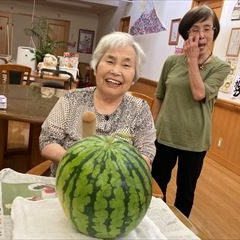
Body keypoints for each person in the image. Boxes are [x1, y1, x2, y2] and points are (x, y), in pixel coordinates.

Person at [39, 31, 156, 176]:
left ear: (134, 77)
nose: (115, 71)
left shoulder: (140, 109)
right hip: (68, 183)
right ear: (96, 67)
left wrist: (115, 172)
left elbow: (146, 154)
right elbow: (47, 141)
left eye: (126, 65)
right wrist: (78, 162)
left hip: (117, 190)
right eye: (110, 61)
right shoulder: (71, 99)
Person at [151, 5, 230, 217]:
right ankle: (154, 223)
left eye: (207, 28)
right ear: (187, 33)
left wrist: (192, 60)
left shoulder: (220, 67)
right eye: (195, 29)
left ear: (214, 32)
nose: (201, 34)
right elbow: (159, 96)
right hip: (165, 135)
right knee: (156, 187)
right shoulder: (171, 62)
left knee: (185, 194)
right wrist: (151, 130)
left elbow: (199, 93)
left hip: (195, 141)